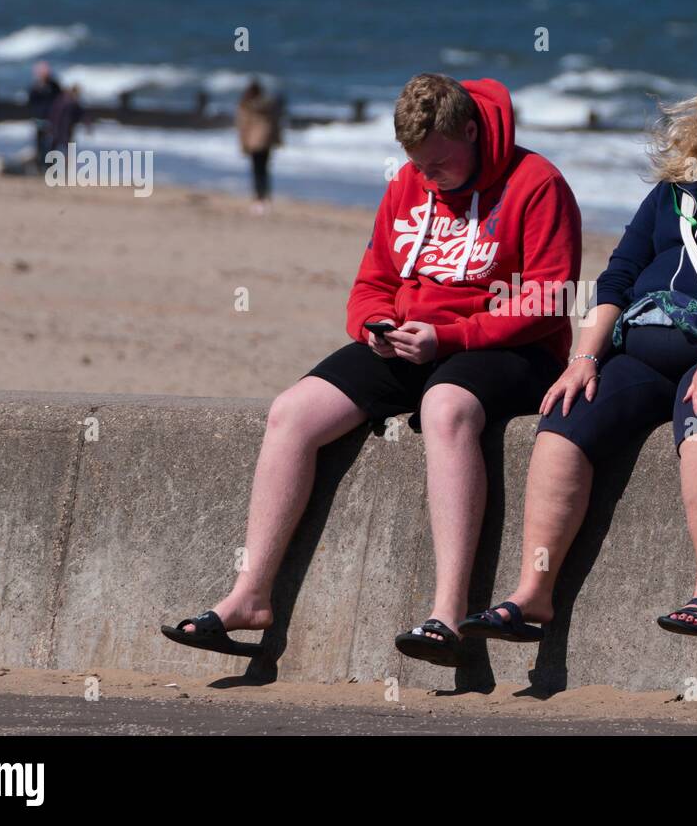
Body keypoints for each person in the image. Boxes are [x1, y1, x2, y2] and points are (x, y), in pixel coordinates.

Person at [162, 74, 582, 667]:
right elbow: (370, 285)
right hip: (412, 342)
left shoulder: (537, 182)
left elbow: (549, 298)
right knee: (292, 412)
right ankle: (249, 596)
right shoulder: (409, 181)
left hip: (511, 348)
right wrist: (375, 327)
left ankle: (446, 613)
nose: (428, 176)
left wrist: (454, 336)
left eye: (438, 163)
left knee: (445, 407)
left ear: (471, 130)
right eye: (418, 164)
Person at [459, 55, 697, 644]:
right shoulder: (672, 195)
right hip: (640, 352)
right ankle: (532, 593)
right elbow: (618, 277)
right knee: (564, 414)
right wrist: (584, 358)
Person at [236, 79, 283, 215]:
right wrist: (278, 140)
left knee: (256, 172)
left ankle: (258, 200)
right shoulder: (270, 106)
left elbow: (243, 126)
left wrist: (243, 144)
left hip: (253, 142)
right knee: (265, 171)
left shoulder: (246, 105)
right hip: (267, 141)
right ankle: (266, 199)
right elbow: (276, 124)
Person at [27, 61, 62, 169]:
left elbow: (59, 100)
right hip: (39, 118)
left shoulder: (54, 85)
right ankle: (40, 166)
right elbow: (31, 101)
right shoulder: (35, 86)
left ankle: (51, 166)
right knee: (39, 143)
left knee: (52, 143)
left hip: (52, 118)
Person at [45, 84, 85, 161]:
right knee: (58, 147)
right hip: (60, 128)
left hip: (66, 128)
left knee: (65, 147)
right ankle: (52, 165)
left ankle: (63, 165)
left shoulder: (71, 102)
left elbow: (80, 114)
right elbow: (55, 115)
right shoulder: (65, 102)